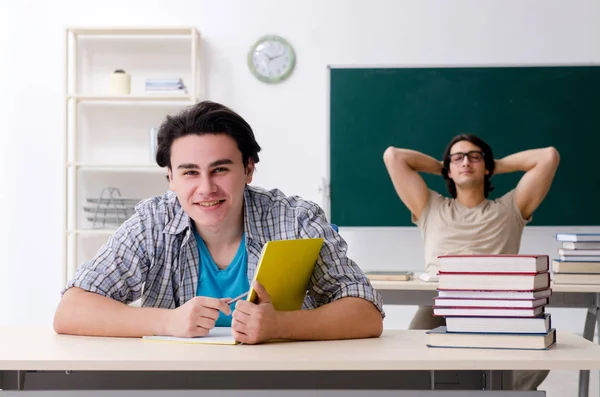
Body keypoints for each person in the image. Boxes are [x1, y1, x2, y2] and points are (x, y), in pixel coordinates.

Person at [54, 101, 384, 344]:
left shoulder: (295, 218)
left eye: (220, 169)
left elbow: (365, 312)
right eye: (189, 172)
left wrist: (280, 326)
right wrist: (169, 321)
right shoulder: (152, 222)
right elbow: (71, 310)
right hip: (173, 383)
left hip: (280, 381)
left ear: (248, 170)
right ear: (170, 177)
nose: (206, 188)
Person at [383, 134, 559, 390]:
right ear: (449, 170)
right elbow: (393, 155)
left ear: (487, 167)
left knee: (539, 355)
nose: (466, 162)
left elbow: (548, 156)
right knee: (410, 359)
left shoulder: (511, 208)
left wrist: (494, 164)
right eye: (458, 158)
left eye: (474, 157)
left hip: (500, 307)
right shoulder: (429, 206)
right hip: (439, 306)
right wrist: (444, 166)